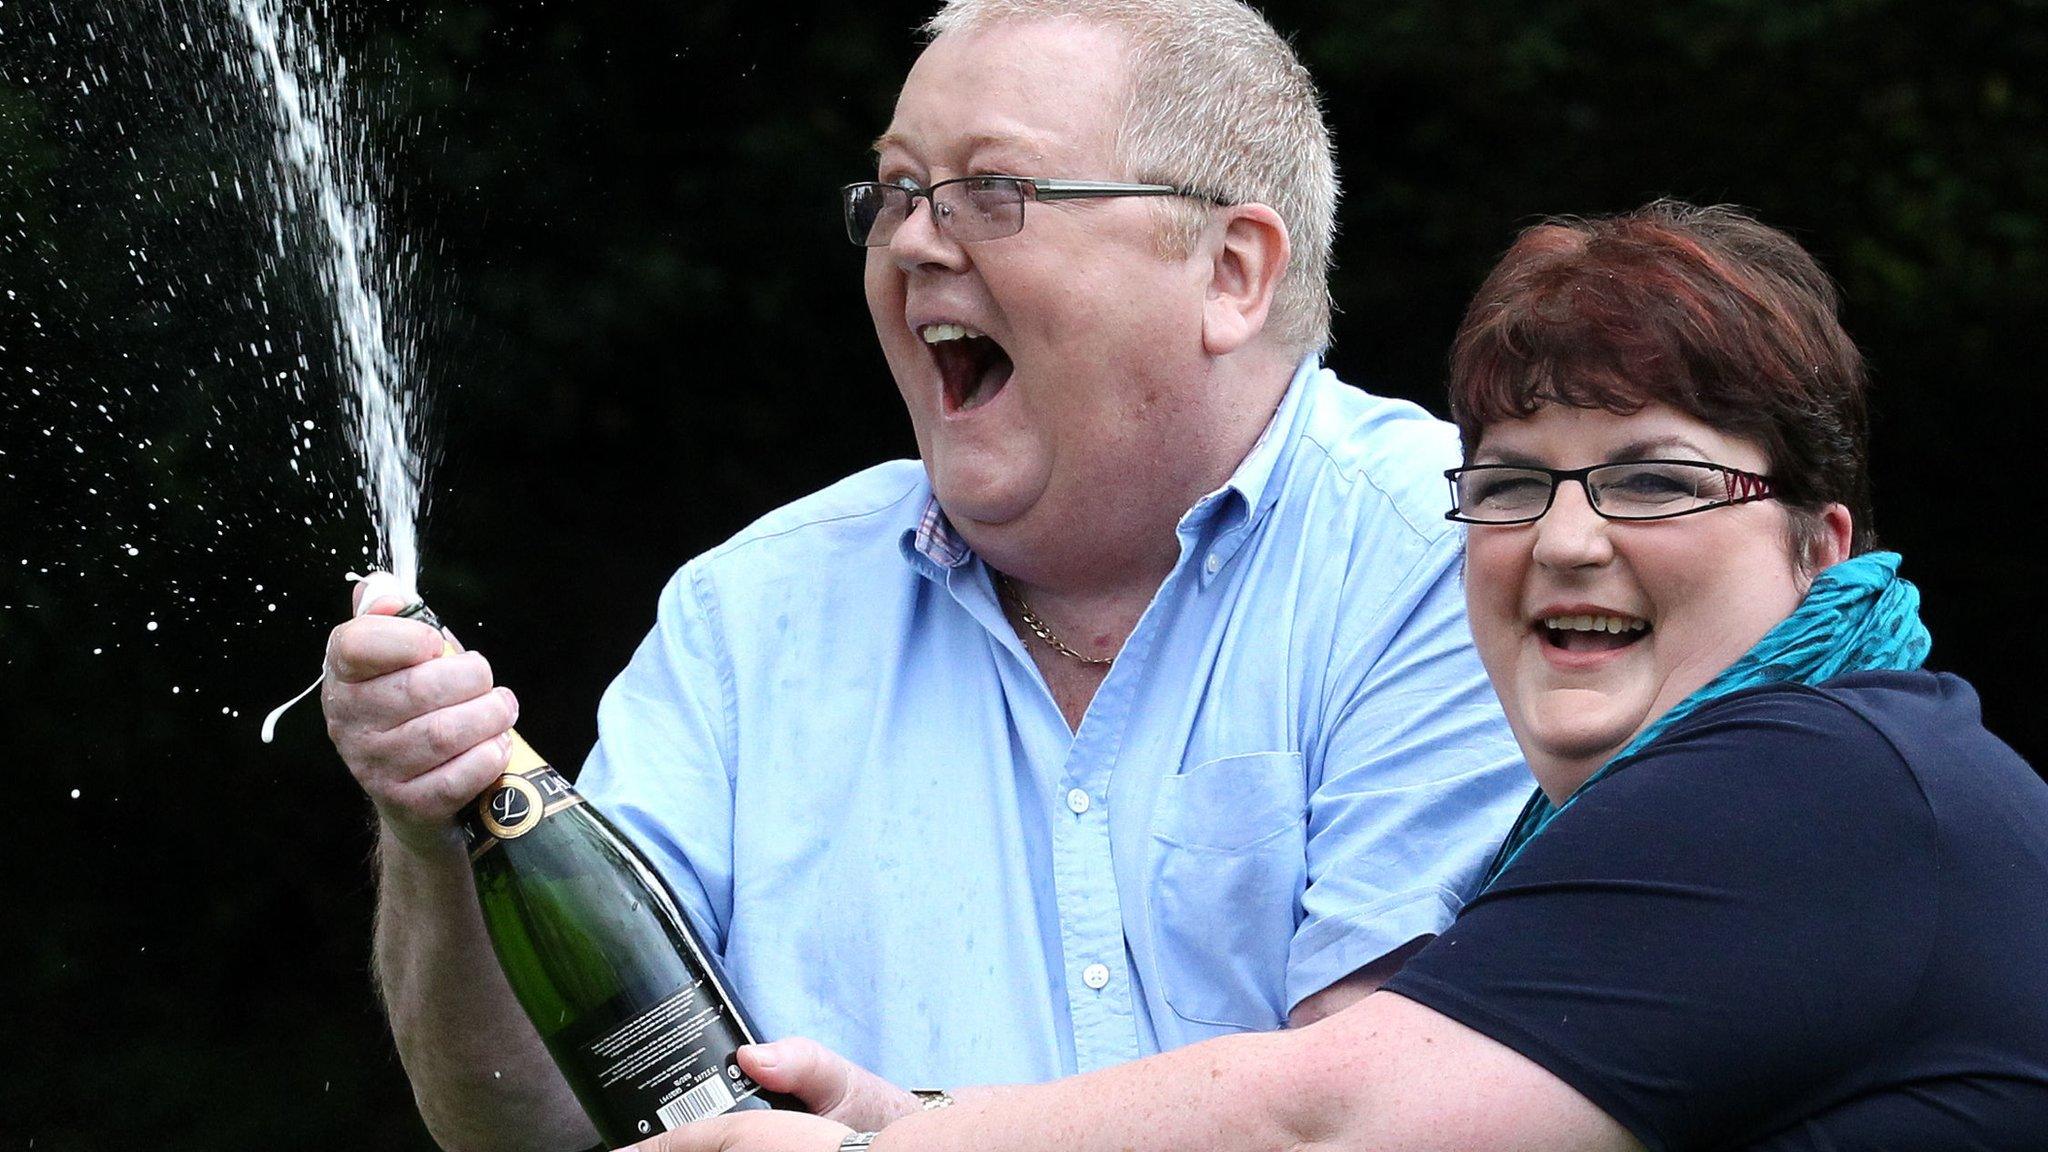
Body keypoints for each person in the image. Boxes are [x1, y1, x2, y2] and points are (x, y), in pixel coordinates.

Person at [322, 0, 1528, 1146]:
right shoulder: (748, 616)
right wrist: (433, 830)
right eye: (895, 192)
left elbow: (1376, 1113)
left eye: (987, 194)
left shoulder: (1458, 554)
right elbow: (520, 1119)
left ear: (1230, 270)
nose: (908, 240)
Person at [646, 201, 2048, 1152]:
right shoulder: (1708, 817)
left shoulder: (1822, 782)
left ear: (1821, 546)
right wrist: (901, 1123)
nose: (1564, 541)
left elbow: (1325, 1120)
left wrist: (903, 1144)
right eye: (1508, 486)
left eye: (1654, 481)